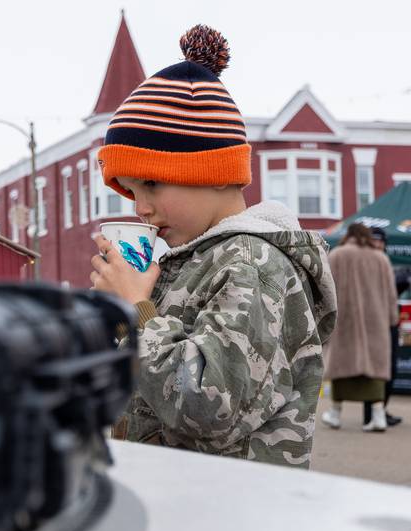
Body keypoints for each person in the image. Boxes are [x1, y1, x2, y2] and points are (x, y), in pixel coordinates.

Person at [88, 24, 337, 468]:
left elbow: (207, 408)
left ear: (216, 171)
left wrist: (137, 312)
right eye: (128, 191)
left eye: (151, 184)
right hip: (183, 504)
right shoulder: (190, 259)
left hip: (231, 516)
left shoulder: (254, 262)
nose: (140, 207)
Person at [321, 224, 398, 432]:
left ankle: (335, 413)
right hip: (376, 322)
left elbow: (325, 289)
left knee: (340, 366)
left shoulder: (337, 255)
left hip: (345, 321)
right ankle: (378, 415)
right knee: (375, 368)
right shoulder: (380, 259)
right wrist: (392, 319)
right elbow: (391, 295)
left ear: (349, 235)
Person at [363, 227, 402, 427]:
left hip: (389, 322)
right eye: (374, 240)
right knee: (373, 369)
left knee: (390, 369)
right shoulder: (364, 261)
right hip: (370, 324)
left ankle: (381, 411)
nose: (378, 244)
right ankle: (371, 414)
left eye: (380, 241)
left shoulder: (385, 262)